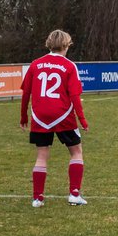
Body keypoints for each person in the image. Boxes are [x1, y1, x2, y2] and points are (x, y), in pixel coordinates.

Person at [20, 29, 89, 207]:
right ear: (66, 45)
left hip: (40, 116)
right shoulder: (69, 66)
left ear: (49, 44)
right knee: (76, 152)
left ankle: (37, 198)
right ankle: (74, 194)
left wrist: (23, 117)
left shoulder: (35, 64)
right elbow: (74, 96)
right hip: (63, 115)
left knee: (42, 155)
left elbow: (26, 93)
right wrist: (82, 120)